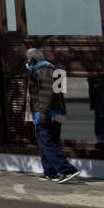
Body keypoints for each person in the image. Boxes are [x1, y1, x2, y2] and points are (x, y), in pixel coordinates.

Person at [26, 48, 80, 183]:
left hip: (46, 113)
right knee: (51, 142)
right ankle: (50, 172)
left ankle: (68, 170)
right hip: (59, 113)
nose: (27, 64)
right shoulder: (56, 70)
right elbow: (61, 93)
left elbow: (46, 93)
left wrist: (43, 113)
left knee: (46, 142)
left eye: (27, 60)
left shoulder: (41, 70)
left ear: (32, 59)